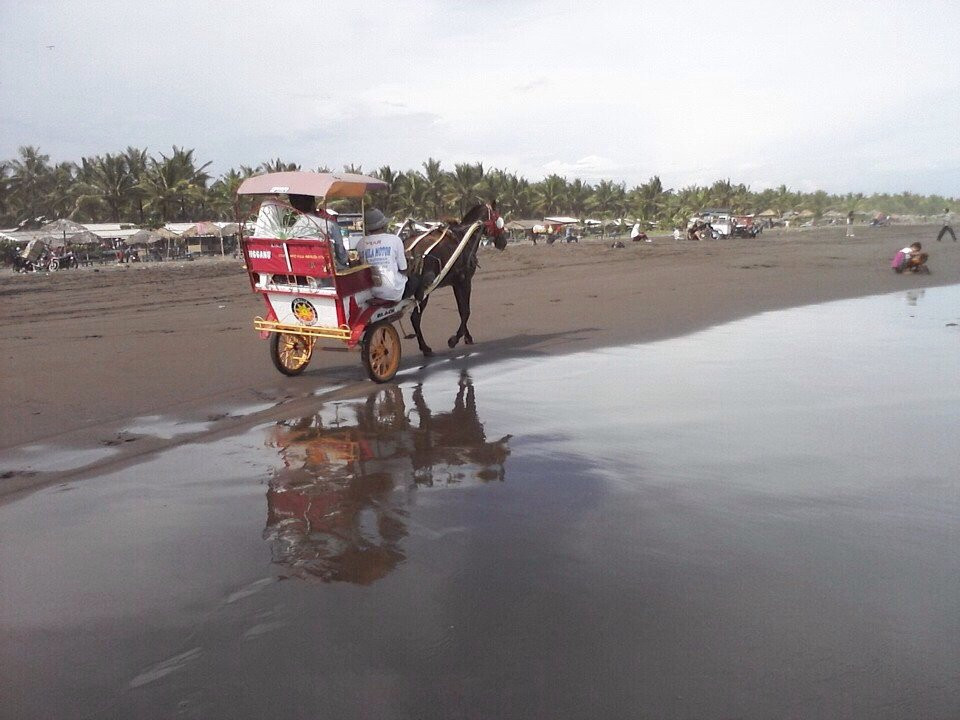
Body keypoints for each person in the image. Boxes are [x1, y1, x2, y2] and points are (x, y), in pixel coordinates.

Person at [356, 208, 409, 302]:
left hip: (370, 290)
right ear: (384, 225)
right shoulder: (395, 239)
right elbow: (403, 268)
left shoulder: (360, 243)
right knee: (416, 280)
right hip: (392, 291)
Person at [288, 194, 348, 268]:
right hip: (329, 269)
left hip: (302, 269)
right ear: (313, 205)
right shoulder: (329, 225)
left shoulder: (292, 230)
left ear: (294, 207)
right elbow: (341, 253)